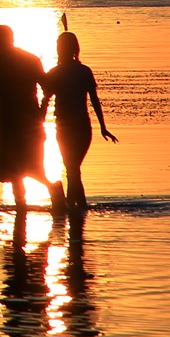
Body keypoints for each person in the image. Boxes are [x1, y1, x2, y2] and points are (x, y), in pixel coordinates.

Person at [0, 23, 52, 210]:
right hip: (11, 125)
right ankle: (21, 207)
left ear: (8, 39)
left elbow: (47, 88)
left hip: (27, 124)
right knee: (15, 173)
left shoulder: (24, 60)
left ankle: (53, 193)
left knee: (34, 170)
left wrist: (41, 113)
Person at [42, 30, 116, 212]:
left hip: (69, 128)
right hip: (81, 127)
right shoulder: (82, 71)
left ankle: (76, 209)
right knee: (72, 170)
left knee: (72, 169)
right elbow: (94, 100)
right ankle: (76, 209)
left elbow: (45, 99)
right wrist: (102, 127)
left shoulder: (57, 72)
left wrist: (104, 127)